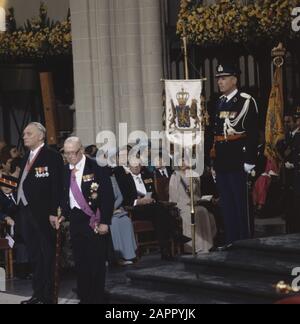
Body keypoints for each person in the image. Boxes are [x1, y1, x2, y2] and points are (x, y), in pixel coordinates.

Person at [211, 63, 259, 247]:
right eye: (218, 79)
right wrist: (213, 161)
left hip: (239, 158)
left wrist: (250, 160)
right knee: (227, 203)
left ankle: (245, 241)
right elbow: (216, 133)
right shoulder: (220, 102)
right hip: (222, 159)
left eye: (223, 78)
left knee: (241, 203)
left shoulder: (245, 101)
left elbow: (253, 132)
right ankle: (232, 241)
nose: (219, 82)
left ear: (234, 79)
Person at [62, 137, 114, 304]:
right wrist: (61, 214)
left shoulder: (96, 166)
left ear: (81, 150)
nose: (70, 156)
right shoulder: (64, 170)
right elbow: (63, 196)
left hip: (94, 219)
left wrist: (105, 221)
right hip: (75, 220)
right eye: (67, 153)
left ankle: (97, 299)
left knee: (96, 263)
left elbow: (107, 196)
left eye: (73, 153)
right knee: (81, 262)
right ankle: (85, 298)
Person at [17, 122, 64, 304]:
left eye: (29, 133)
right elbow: (23, 183)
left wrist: (54, 212)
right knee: (34, 255)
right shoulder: (25, 157)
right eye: (24, 134)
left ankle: (49, 296)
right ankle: (38, 294)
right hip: (26, 212)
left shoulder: (51, 156)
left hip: (44, 214)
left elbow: (56, 186)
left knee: (48, 255)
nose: (24, 136)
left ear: (40, 136)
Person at [115, 158, 174, 260]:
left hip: (151, 207)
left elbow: (154, 194)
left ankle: (165, 249)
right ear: (129, 166)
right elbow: (125, 200)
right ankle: (172, 238)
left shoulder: (147, 176)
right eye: (134, 165)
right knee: (161, 211)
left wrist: (151, 199)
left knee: (159, 214)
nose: (137, 167)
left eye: (138, 164)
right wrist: (138, 201)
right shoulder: (124, 180)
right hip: (136, 209)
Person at [169, 165, 217, 254]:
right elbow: (173, 198)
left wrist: (196, 200)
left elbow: (197, 193)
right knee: (195, 213)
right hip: (181, 205)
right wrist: (184, 203)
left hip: (194, 203)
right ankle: (193, 247)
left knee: (203, 211)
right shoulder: (175, 176)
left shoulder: (194, 175)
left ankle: (206, 245)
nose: (183, 163)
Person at [110, 171, 137, 265]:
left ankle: (129, 255)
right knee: (114, 222)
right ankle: (119, 257)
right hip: (104, 212)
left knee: (126, 220)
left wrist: (113, 208)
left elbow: (120, 197)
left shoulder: (112, 179)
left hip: (116, 209)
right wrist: (109, 210)